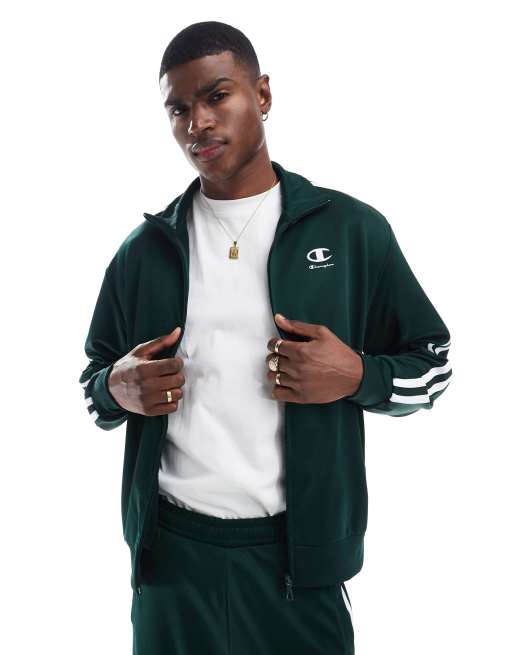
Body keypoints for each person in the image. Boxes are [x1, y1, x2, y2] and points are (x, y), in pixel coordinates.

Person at [79, 20, 453, 655]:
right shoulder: (145, 251)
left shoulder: (351, 230)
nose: (197, 123)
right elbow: (94, 387)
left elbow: (434, 365)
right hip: (171, 563)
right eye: (178, 109)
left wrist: (359, 376)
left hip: (298, 567)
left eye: (216, 96)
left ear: (264, 95)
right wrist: (117, 388)